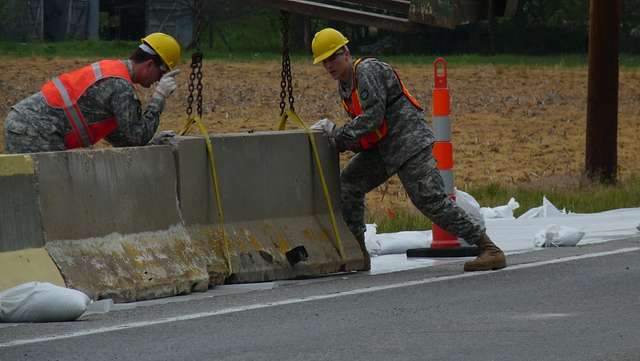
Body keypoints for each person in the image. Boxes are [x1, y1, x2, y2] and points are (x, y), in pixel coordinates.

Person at [309, 28, 506, 272]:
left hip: (409, 143)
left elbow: (372, 118)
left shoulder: (366, 71)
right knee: (349, 184)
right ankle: (359, 254)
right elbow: (369, 129)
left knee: (430, 201)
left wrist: (338, 137)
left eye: (333, 58)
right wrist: (346, 142)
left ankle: (489, 249)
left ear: (346, 53)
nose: (329, 65)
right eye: (324, 61)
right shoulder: (345, 86)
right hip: (384, 149)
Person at [3, 32, 181, 154]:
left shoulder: (113, 71)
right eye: (161, 73)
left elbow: (123, 137)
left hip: (26, 124)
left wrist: (153, 140)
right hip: (35, 130)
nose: (158, 80)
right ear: (149, 64)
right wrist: (159, 98)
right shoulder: (121, 87)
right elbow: (136, 136)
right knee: (49, 194)